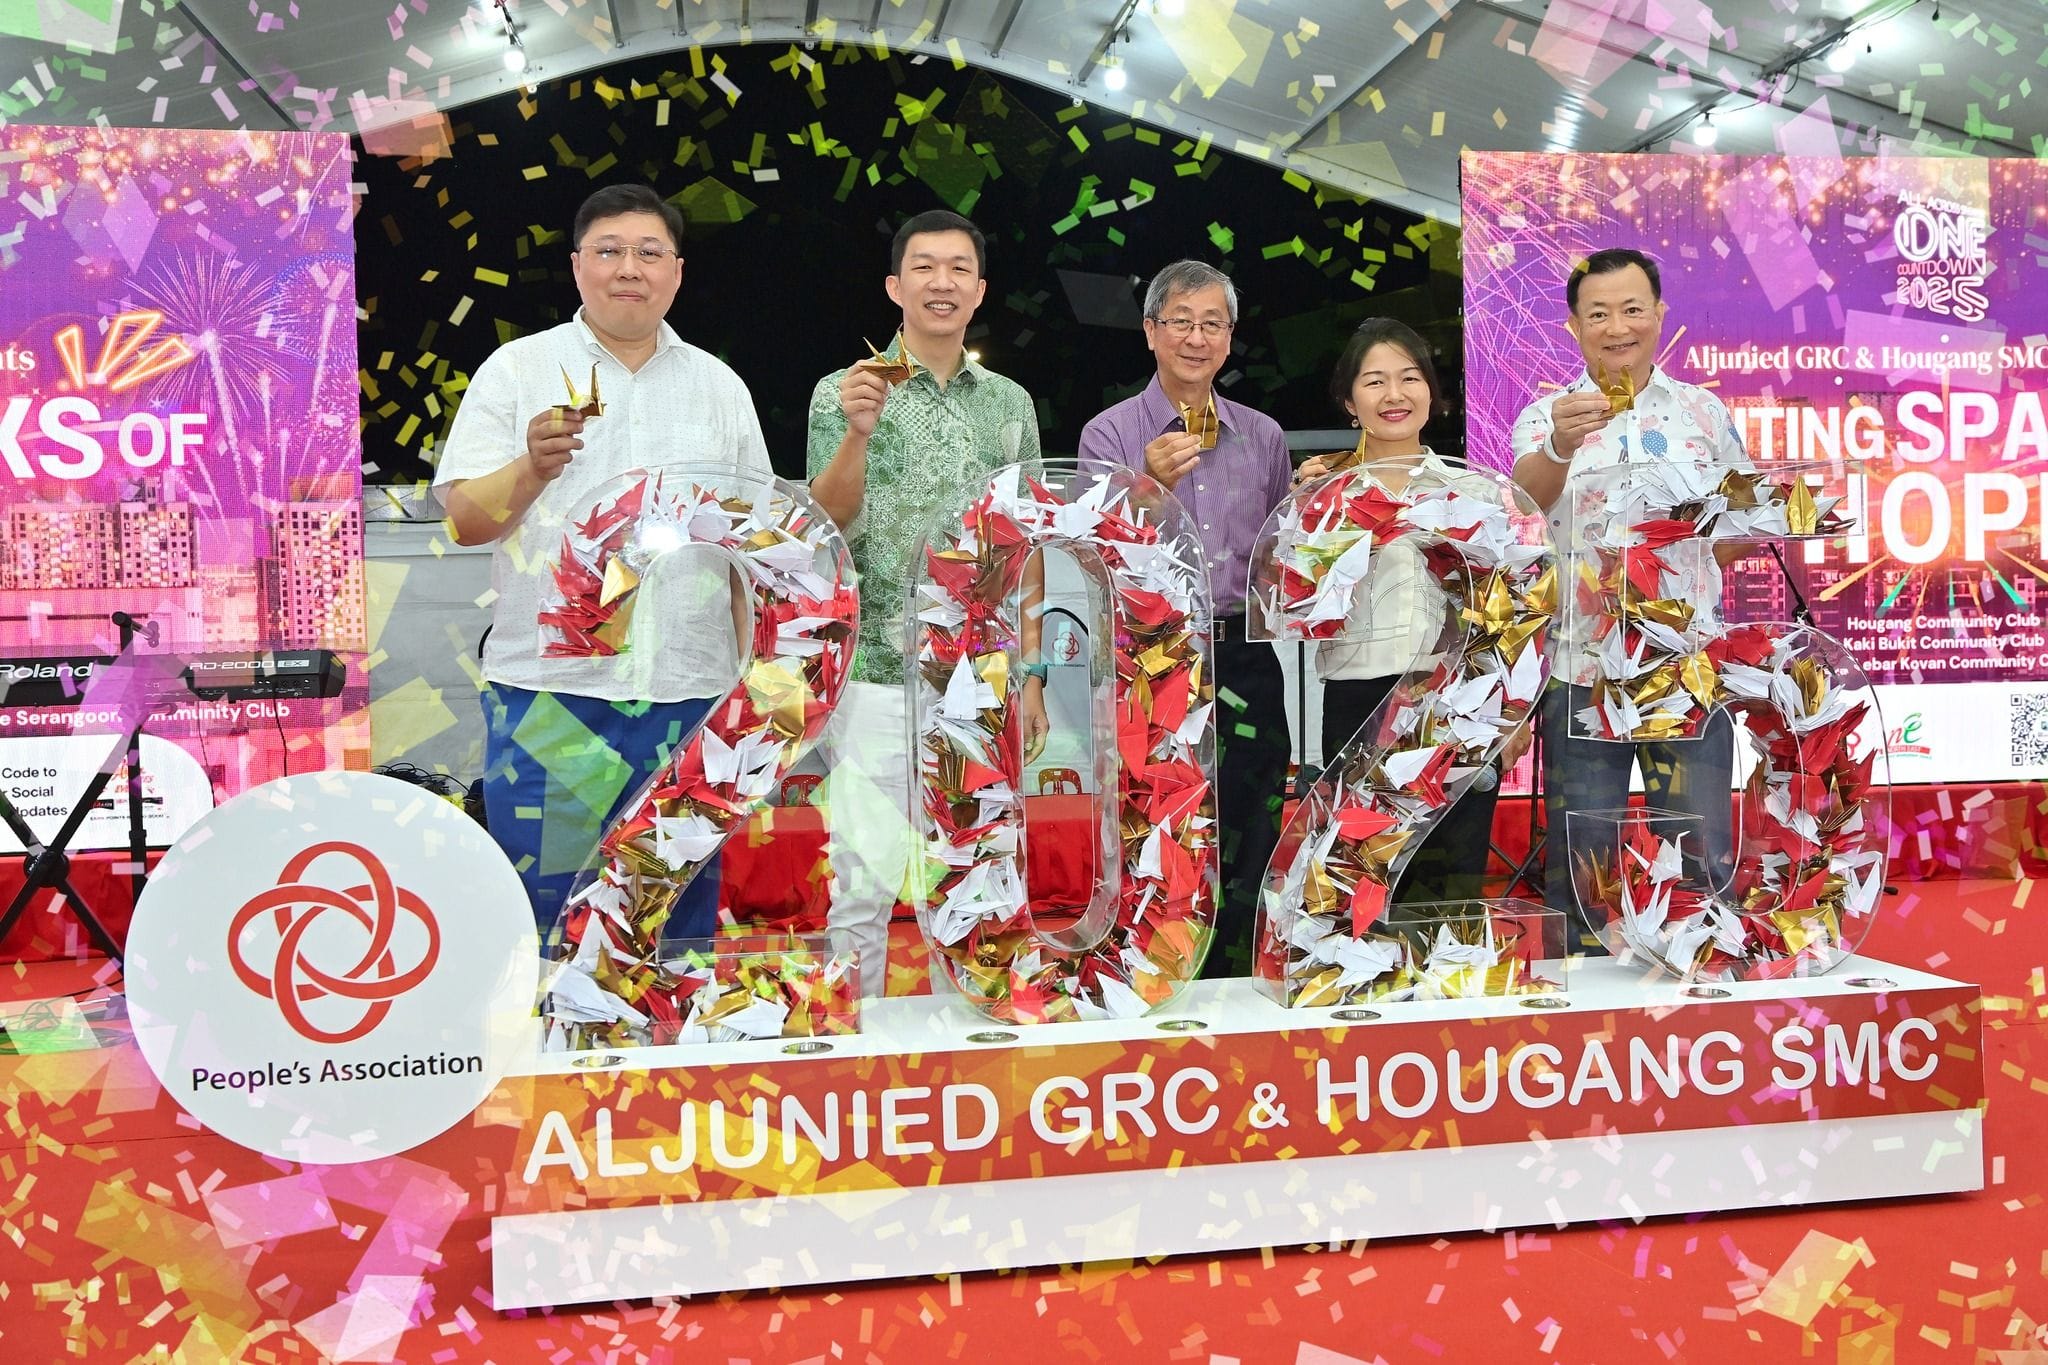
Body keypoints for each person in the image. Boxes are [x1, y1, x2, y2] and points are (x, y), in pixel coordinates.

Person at [435, 183, 773, 937]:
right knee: (548, 908)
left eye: (649, 252)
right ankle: (547, 1016)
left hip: (688, 694)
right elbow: (465, 522)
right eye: (610, 251)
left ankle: (673, 1015)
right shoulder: (517, 370)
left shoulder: (719, 387)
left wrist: (751, 681)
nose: (629, 268)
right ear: (577, 266)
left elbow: (749, 549)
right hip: (551, 697)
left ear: (676, 272)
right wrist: (531, 467)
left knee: (674, 911)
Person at [805, 208, 1044, 995]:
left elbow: (1024, 542)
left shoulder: (1010, 402)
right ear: (894, 285)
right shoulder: (844, 390)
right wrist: (857, 433)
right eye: (925, 267)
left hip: (979, 676)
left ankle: (964, 1036)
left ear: (979, 290)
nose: (942, 282)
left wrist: (1032, 670)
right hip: (874, 673)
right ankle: (857, 1044)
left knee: (974, 872)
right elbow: (825, 520)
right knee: (863, 880)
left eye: (958, 268)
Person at [1509, 247, 1748, 948]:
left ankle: (1702, 976)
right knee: (1584, 856)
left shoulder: (1704, 413)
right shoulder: (1546, 417)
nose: (1618, 327)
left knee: (1699, 845)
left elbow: (1739, 528)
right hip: (1583, 667)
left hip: (1686, 667)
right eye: (1599, 314)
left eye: (1633, 309)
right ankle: (1585, 980)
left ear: (1660, 315)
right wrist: (1561, 445)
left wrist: (1686, 572)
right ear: (1574, 326)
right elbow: (1525, 504)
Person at [1077, 259, 1292, 978]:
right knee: (1156, 827)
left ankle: (1238, 985)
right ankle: (1156, 979)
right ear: (1150, 332)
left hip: (1243, 657)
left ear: (1229, 337)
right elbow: (1090, 556)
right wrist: (1144, 488)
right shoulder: (1108, 435)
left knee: (1252, 823)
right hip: (1150, 658)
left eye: (1212, 324)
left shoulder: (1262, 436)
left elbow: (1276, 557)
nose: (1196, 339)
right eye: (1180, 322)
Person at [1296, 319, 1522, 904]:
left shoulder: (1475, 491)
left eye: (1409, 378)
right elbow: (1298, 607)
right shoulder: (1325, 496)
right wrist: (1313, 523)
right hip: (1360, 697)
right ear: (1350, 402)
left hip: (1460, 702)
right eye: (1375, 381)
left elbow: (1509, 611)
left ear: (1431, 393)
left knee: (1451, 878)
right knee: (1358, 877)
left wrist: (1511, 713)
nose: (1394, 394)